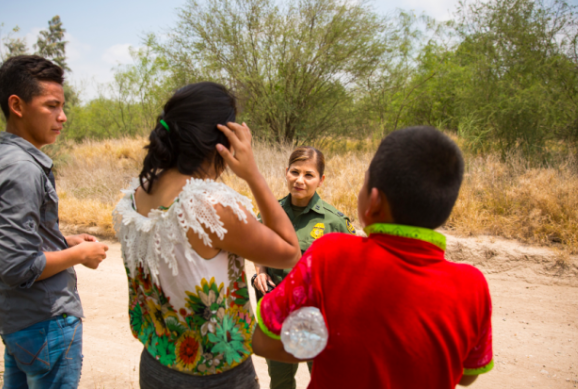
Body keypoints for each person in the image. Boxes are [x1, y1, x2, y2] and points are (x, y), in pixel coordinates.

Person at [253, 126, 493, 388]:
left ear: (373, 202)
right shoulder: (473, 285)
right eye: (295, 172)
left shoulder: (330, 253)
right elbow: (469, 375)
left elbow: (263, 341)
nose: (300, 179)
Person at [112, 82, 301, 389]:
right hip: (216, 376)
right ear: (223, 141)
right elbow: (290, 251)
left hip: (156, 366)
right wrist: (252, 172)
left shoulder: (134, 196)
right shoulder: (208, 206)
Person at [0, 55, 109, 389]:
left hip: (18, 322)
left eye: (63, 106)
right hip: (44, 323)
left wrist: (64, 243)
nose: (62, 117)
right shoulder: (22, 168)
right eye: (51, 106)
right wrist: (79, 256)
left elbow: (19, 242)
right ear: (16, 105)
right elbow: (17, 265)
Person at [251, 146, 355, 389]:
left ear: (321, 179)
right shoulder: (270, 212)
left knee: (323, 379)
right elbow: (258, 247)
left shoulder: (335, 221)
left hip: (317, 318)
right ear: (286, 172)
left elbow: (351, 266)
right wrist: (260, 271)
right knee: (280, 381)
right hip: (278, 314)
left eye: (309, 175)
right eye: (294, 172)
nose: (300, 180)